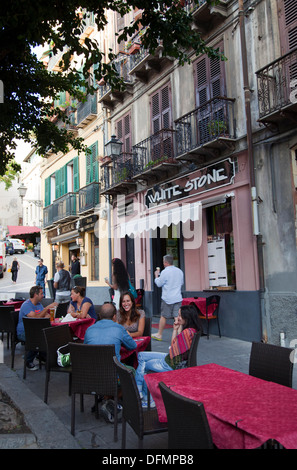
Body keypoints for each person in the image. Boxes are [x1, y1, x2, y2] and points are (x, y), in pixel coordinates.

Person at [135, 304, 202, 408]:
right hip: (172, 359)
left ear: (187, 317)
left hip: (170, 364)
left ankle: (149, 399)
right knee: (141, 355)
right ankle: (139, 387)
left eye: (180, 315)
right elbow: (173, 348)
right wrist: (175, 329)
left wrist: (178, 333)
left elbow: (173, 350)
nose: (177, 317)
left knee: (145, 364)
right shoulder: (191, 331)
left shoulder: (186, 333)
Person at [16, 285, 58, 370]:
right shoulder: (26, 305)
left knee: (50, 335)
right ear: (36, 294)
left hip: (36, 331)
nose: (43, 295)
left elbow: (47, 316)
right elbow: (37, 317)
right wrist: (47, 308)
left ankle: (42, 356)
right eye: (41, 293)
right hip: (24, 332)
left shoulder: (38, 304)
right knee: (39, 339)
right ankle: (28, 360)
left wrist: (45, 313)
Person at [152, 254, 184, 341]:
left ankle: (159, 334)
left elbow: (158, 284)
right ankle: (179, 336)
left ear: (165, 262)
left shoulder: (165, 272)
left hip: (167, 298)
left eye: (163, 262)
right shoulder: (180, 271)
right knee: (177, 317)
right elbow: (181, 283)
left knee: (163, 316)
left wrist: (156, 276)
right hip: (177, 297)